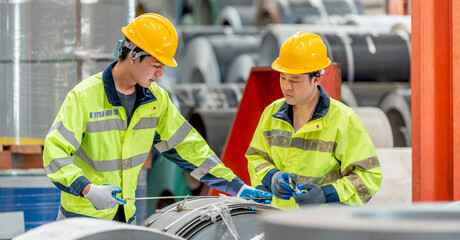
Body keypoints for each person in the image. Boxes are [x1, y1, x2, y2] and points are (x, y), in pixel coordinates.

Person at [42, 13, 272, 224]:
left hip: (124, 217)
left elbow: (189, 148)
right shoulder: (84, 97)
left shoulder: (156, 101)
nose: (160, 74)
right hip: (80, 220)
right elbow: (55, 153)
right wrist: (88, 189)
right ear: (133, 55)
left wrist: (236, 187)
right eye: (156, 65)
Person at [245, 31, 382, 209]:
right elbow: (255, 157)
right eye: (283, 77)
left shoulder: (343, 120)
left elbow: (369, 177)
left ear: (316, 79)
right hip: (279, 222)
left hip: (322, 227)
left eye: (295, 80)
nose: (287, 87)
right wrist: (272, 177)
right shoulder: (271, 113)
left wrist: (326, 194)